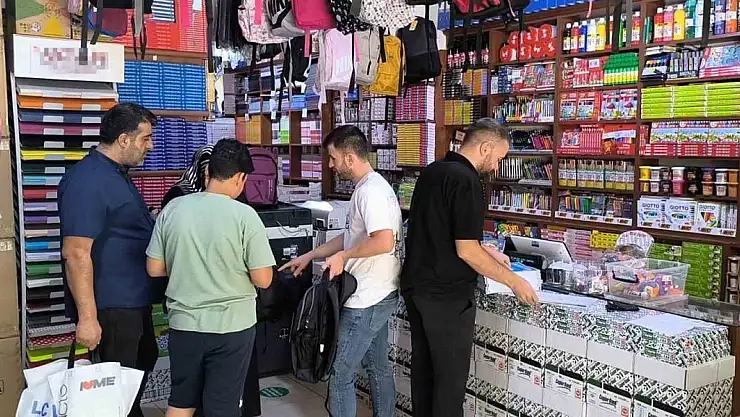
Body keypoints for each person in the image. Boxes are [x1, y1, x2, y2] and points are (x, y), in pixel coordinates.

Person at [401, 118, 539, 417]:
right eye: (498, 158)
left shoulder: (433, 171)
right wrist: (515, 281)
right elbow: (466, 251)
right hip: (446, 296)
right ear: (485, 147)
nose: (496, 167)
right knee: (449, 384)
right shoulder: (467, 181)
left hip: (417, 287)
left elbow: (438, 231)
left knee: (425, 374)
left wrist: (486, 250)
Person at [145, 139, 275, 417]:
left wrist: (186, 265)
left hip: (184, 325)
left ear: (208, 172)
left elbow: (154, 269)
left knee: (181, 402)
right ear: (240, 178)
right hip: (232, 327)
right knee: (223, 405)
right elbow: (263, 279)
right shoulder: (245, 216)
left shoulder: (173, 209)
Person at [280, 125, 402, 417]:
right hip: (379, 292)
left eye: (333, 158)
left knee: (339, 370)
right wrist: (312, 255)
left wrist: (344, 256)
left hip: (367, 298)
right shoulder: (370, 186)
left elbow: (383, 241)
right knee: (378, 367)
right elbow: (352, 236)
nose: (330, 165)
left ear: (349, 157)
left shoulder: (371, 192)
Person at [59, 103, 159, 417]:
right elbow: (76, 252)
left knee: (140, 365)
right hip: (111, 306)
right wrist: (88, 318)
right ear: (124, 140)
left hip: (132, 299)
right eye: (145, 139)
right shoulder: (88, 180)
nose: (150, 146)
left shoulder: (116, 173)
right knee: (112, 386)